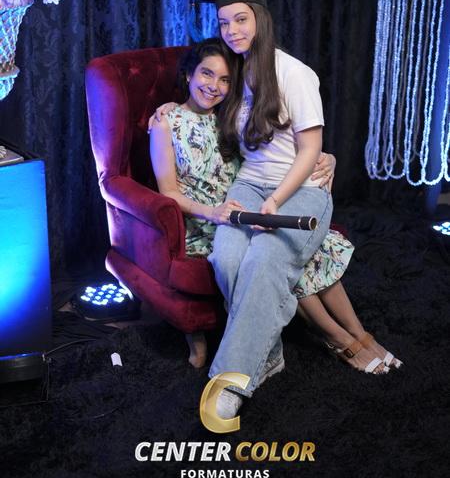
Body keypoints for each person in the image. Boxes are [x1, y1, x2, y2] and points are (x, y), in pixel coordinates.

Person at [185, 0, 401, 418]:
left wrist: (277, 201)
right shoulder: (233, 71)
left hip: (301, 189)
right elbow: (200, 97)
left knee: (265, 260)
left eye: (241, 19)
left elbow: (311, 150)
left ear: (260, 18)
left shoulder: (295, 73)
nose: (232, 30)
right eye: (224, 22)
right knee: (226, 258)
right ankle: (268, 356)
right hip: (250, 184)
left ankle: (230, 381)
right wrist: (169, 107)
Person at [149, 35, 401, 390]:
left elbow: (276, 153)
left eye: (224, 80)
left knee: (297, 247)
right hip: (208, 222)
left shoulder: (231, 115)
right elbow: (169, 194)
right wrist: (213, 213)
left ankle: (359, 334)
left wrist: (325, 157)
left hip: (250, 207)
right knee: (277, 258)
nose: (214, 86)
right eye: (206, 74)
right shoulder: (165, 122)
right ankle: (339, 339)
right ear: (189, 74)